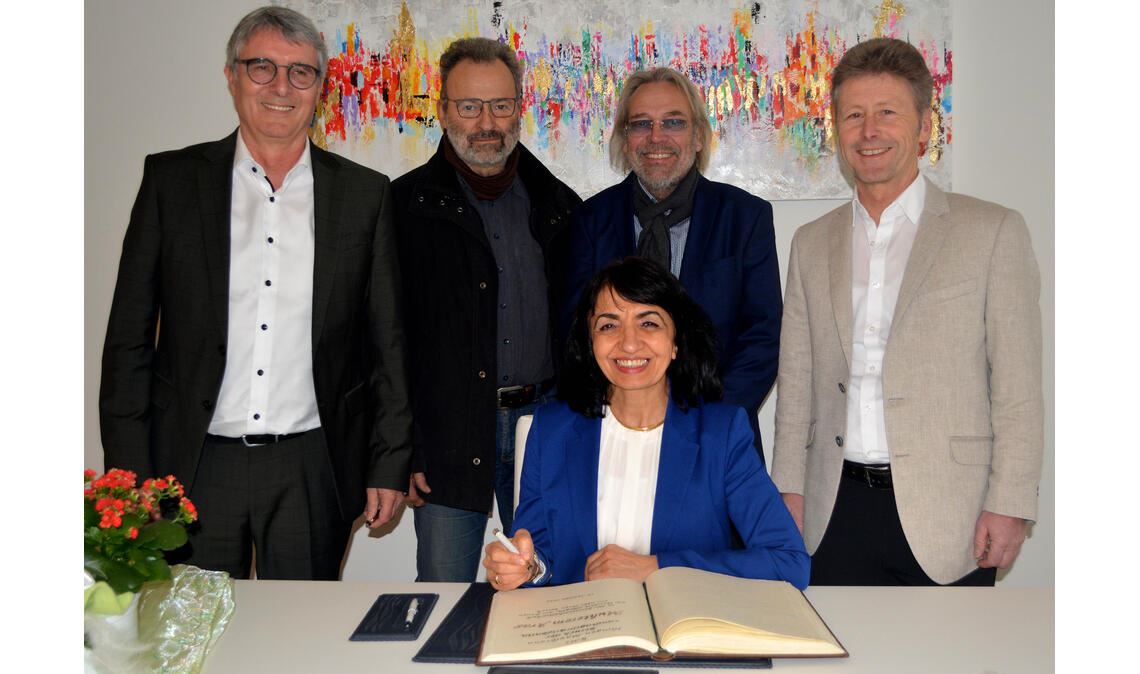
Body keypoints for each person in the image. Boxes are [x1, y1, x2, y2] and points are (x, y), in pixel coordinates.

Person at [98, 6, 412, 580]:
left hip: (312, 466)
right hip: (192, 466)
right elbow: (128, 341)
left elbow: (387, 343)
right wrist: (129, 471)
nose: (281, 87)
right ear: (231, 76)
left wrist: (388, 462)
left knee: (299, 642)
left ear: (320, 87)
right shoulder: (172, 182)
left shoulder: (364, 196)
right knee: (193, 644)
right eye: (262, 67)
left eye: (301, 72)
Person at [771, 38, 1043, 586]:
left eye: (887, 113)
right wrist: (787, 491)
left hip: (953, 515)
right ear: (838, 131)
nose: (869, 131)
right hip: (831, 511)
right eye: (854, 116)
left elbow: (1017, 386)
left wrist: (1012, 500)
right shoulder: (809, 242)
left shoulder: (992, 231)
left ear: (924, 127)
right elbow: (795, 384)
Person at [484, 257, 808, 590]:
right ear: (590, 341)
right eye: (608, 325)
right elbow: (538, 554)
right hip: (584, 628)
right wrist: (524, 567)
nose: (628, 343)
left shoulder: (721, 434)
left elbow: (789, 563)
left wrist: (656, 567)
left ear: (676, 342)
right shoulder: (551, 430)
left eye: (649, 323)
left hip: (683, 629)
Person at [389, 37, 582, 582]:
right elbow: (385, 341)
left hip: (541, 426)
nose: (485, 122)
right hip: (445, 434)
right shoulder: (403, 209)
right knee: (444, 592)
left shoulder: (560, 206)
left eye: (500, 105)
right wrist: (401, 447)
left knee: (548, 586)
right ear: (444, 111)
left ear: (519, 109)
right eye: (469, 106)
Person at [563, 68, 782, 461]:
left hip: (717, 441)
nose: (656, 137)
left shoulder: (745, 218)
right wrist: (619, 419)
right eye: (641, 124)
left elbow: (763, 336)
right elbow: (575, 334)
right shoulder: (588, 221)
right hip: (613, 441)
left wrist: (704, 422)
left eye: (673, 122)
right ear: (624, 139)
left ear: (698, 136)